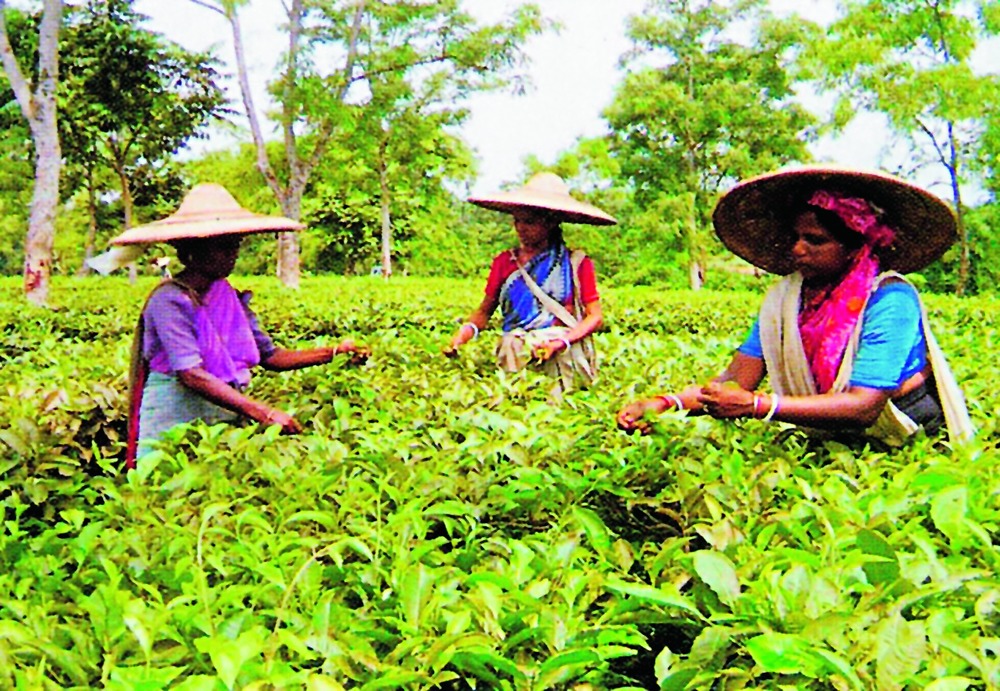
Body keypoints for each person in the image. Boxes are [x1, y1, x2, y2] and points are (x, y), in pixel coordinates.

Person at [617, 166, 974, 447]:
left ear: (854, 247)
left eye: (815, 240)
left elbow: (864, 406)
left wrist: (758, 406)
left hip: (905, 426)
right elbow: (733, 382)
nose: (798, 249)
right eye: (796, 238)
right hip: (828, 431)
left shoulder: (889, 299)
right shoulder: (784, 302)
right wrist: (666, 404)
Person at [108, 183, 370, 467]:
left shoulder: (228, 296)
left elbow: (271, 356)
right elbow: (190, 374)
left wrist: (334, 352)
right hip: (174, 413)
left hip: (223, 413)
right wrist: (262, 412)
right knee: (164, 479)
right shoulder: (169, 300)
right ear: (193, 251)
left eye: (235, 245)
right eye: (222, 247)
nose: (232, 254)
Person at [443, 172, 616, 395]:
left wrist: (561, 342)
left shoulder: (575, 263)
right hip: (514, 352)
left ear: (551, 223)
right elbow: (484, 312)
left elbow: (595, 317)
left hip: (559, 356)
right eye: (518, 221)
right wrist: (462, 336)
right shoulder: (504, 263)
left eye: (530, 222)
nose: (521, 228)